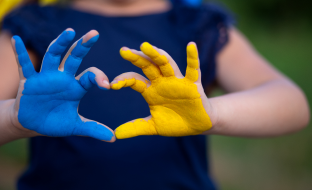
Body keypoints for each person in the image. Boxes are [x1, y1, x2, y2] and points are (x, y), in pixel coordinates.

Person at [0, 0, 310, 189]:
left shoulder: (196, 25)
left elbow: (292, 104)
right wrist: (14, 119)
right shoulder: (34, 25)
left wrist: (213, 114)